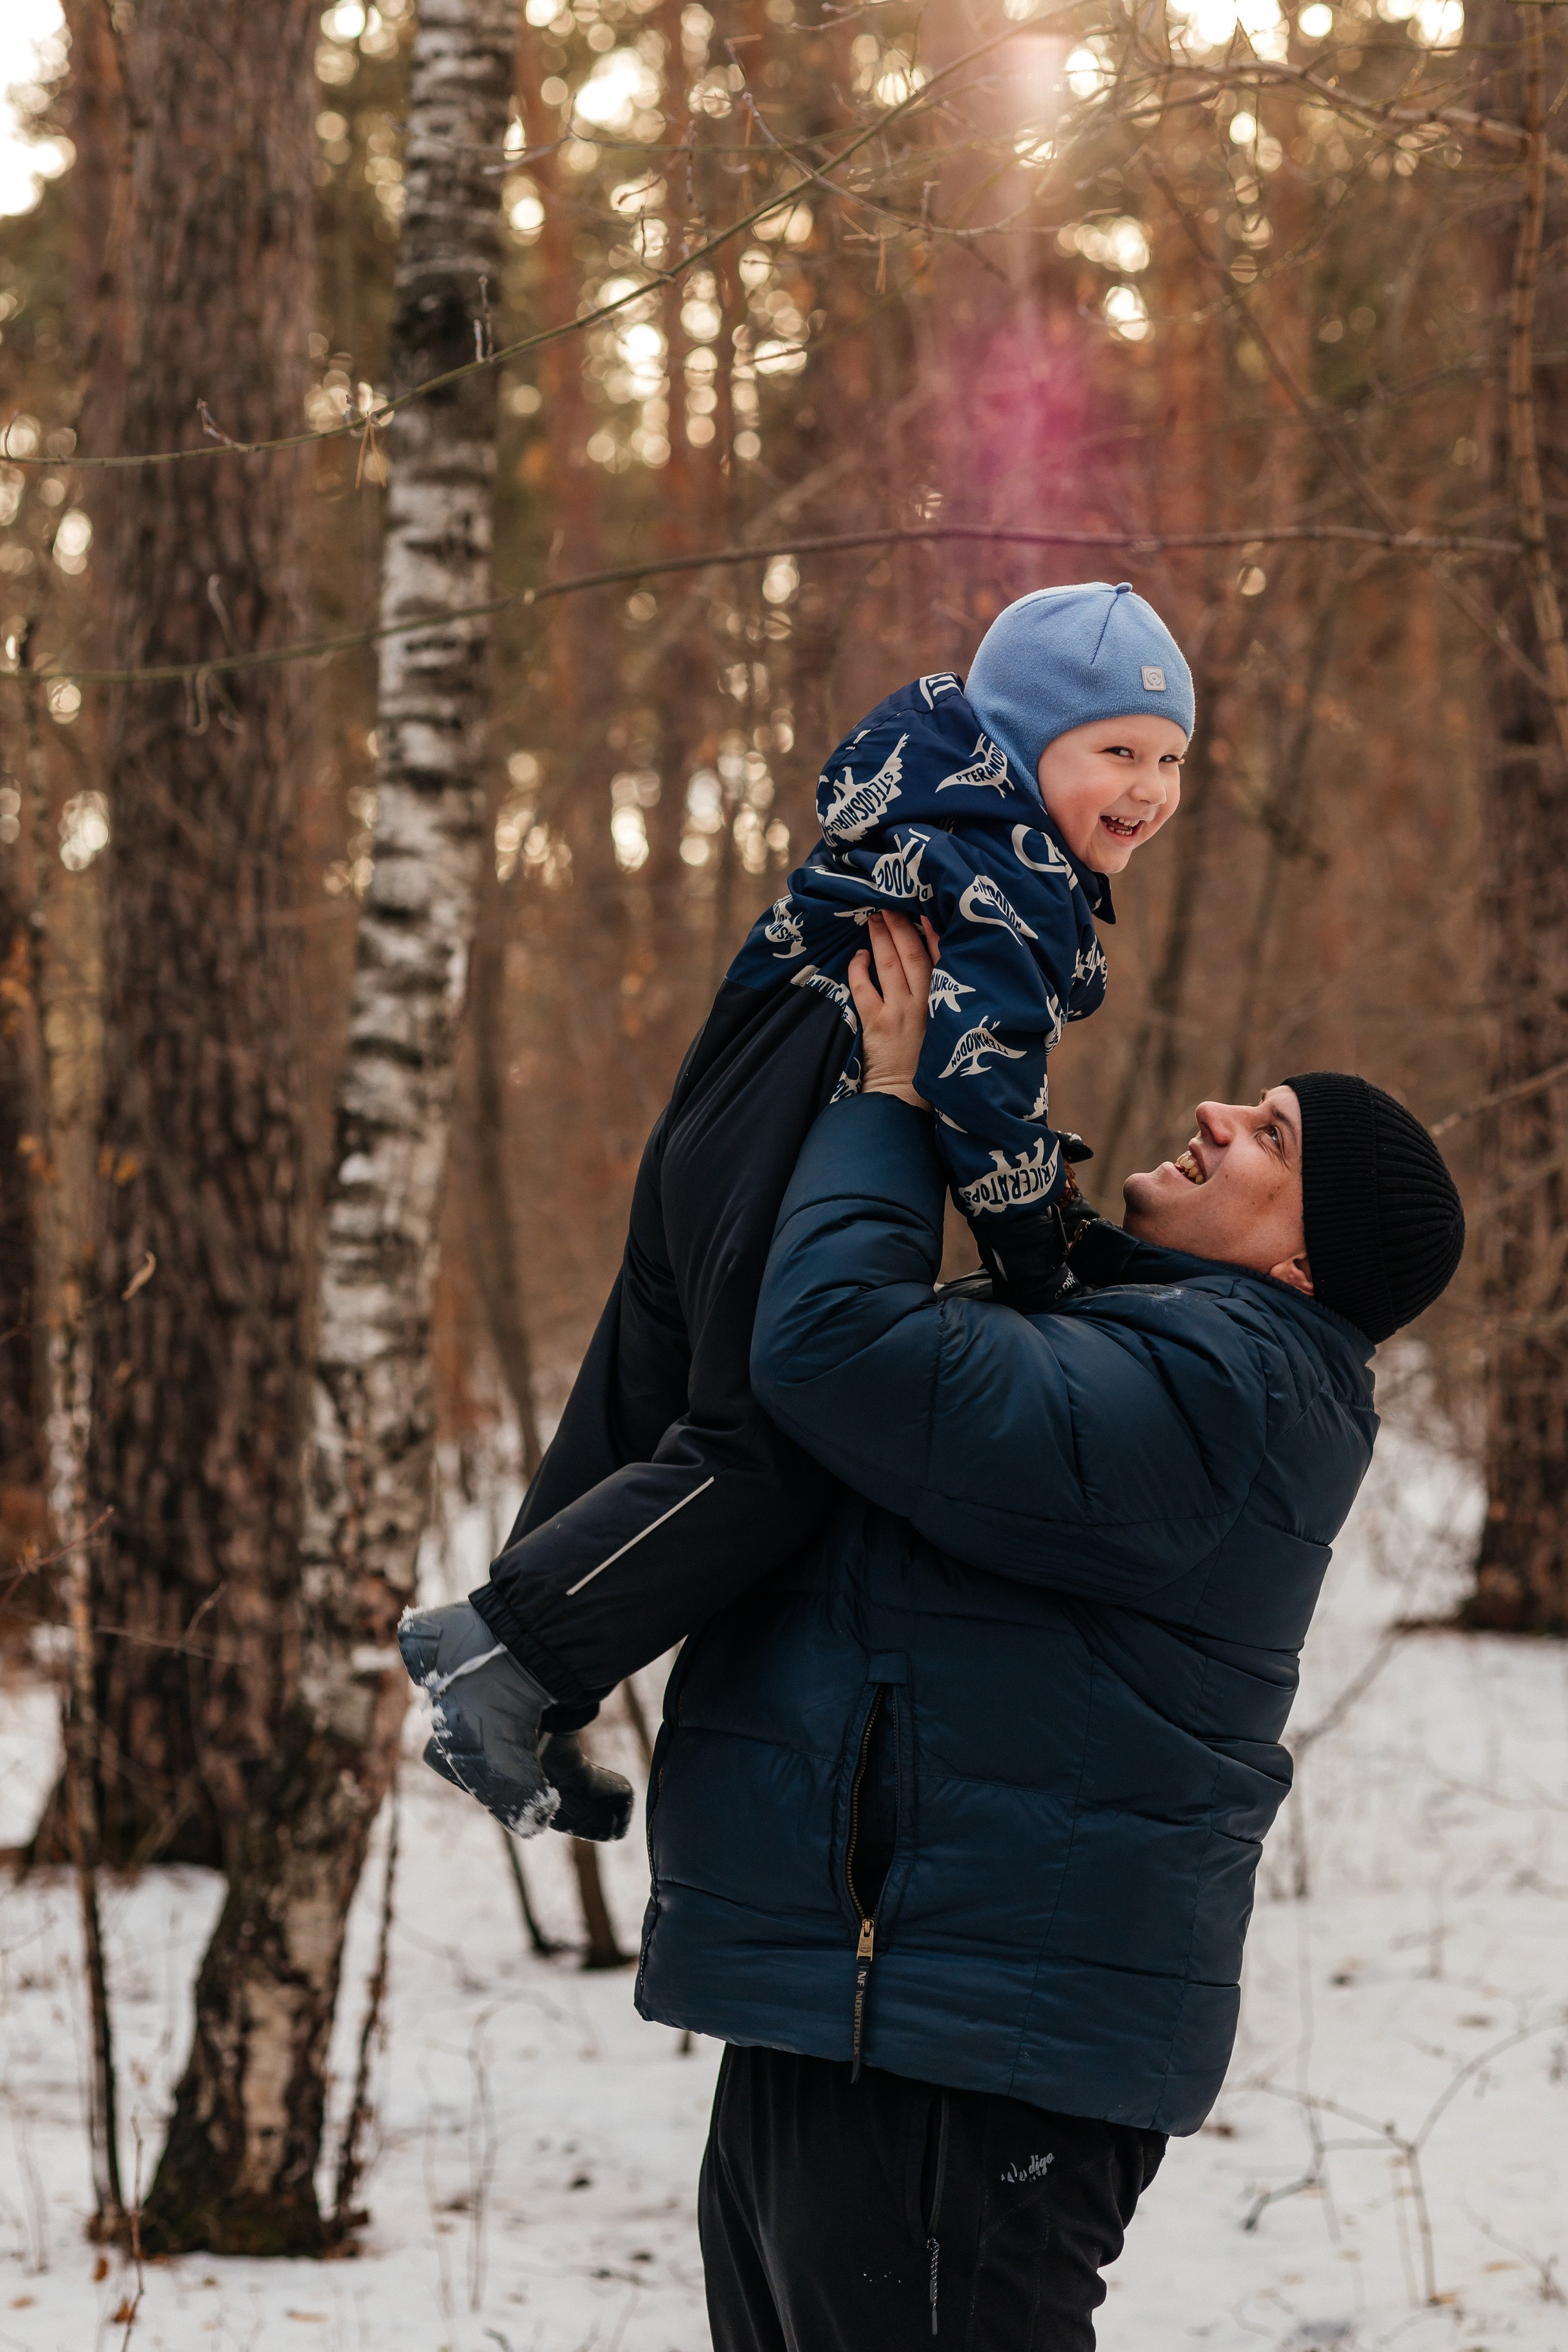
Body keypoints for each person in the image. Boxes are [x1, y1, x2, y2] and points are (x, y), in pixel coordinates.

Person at [629, 912, 1465, 2351]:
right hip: (879, 2009)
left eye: (1267, 1136)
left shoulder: (1231, 1392)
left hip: (971, 2043)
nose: (1215, 1115)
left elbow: (834, 1347)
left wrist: (894, 1106)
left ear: (1301, 1269)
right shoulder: (1146, 1344)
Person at [399, 584, 1193, 1837]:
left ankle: (522, 1699)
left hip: (723, 1100)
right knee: (767, 1445)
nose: (1146, 787)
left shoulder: (920, 817)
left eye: (1168, 758)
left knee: (640, 1389)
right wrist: (1039, 1248)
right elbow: (977, 1078)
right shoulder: (1012, 874)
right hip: (803, 1116)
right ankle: (508, 1656)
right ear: (1023, 739)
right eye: (1113, 751)